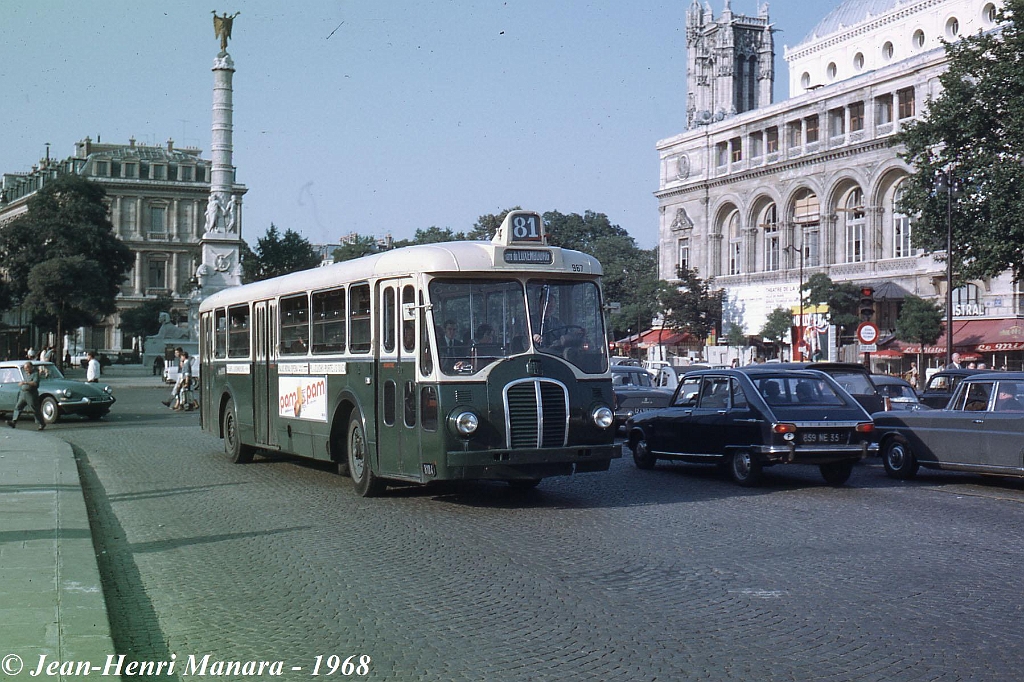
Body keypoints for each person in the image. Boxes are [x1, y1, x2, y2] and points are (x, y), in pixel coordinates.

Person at [7, 361, 45, 430]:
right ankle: (14, 421)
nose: (26, 369)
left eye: (27, 368)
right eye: (25, 368)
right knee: (18, 407)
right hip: (23, 393)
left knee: (35, 409)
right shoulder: (24, 374)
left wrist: (26, 383)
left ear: (31, 367)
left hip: (31, 394)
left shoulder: (35, 374)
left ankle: (41, 423)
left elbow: (35, 383)